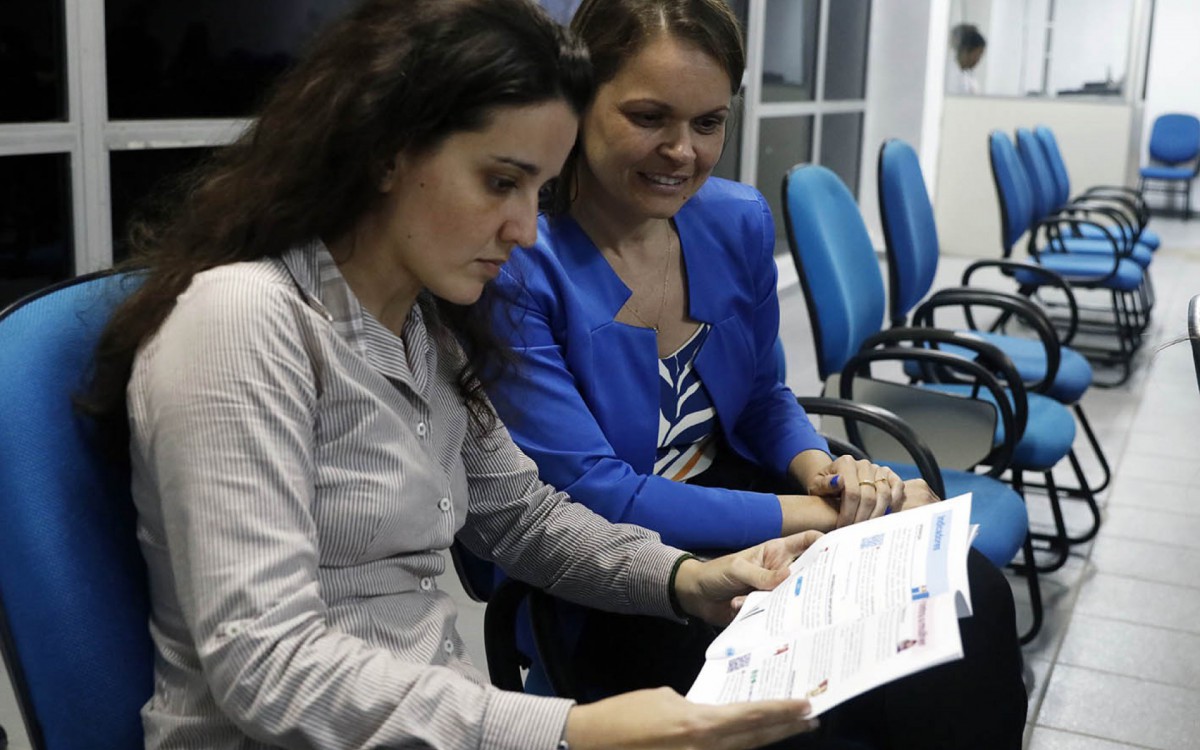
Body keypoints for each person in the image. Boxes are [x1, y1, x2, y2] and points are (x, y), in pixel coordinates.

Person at [78, 1, 828, 748]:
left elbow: (527, 520)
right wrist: (575, 728)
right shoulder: (242, 321)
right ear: (387, 152)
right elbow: (268, 665)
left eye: (539, 190)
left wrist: (690, 582)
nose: (525, 229)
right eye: (501, 183)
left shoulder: (426, 326)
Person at [484, 0, 1027, 746]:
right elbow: (599, 493)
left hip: (745, 506)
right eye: (650, 118)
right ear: (577, 101)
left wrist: (823, 472)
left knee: (974, 600)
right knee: (826, 716)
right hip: (624, 572)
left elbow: (767, 396)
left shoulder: (733, 219)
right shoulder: (518, 262)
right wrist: (825, 518)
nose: (683, 151)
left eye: (708, 123)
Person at [950, 23, 987, 94]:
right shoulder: (952, 76)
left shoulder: (968, 77)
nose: (978, 60)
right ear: (966, 51)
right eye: (977, 55)